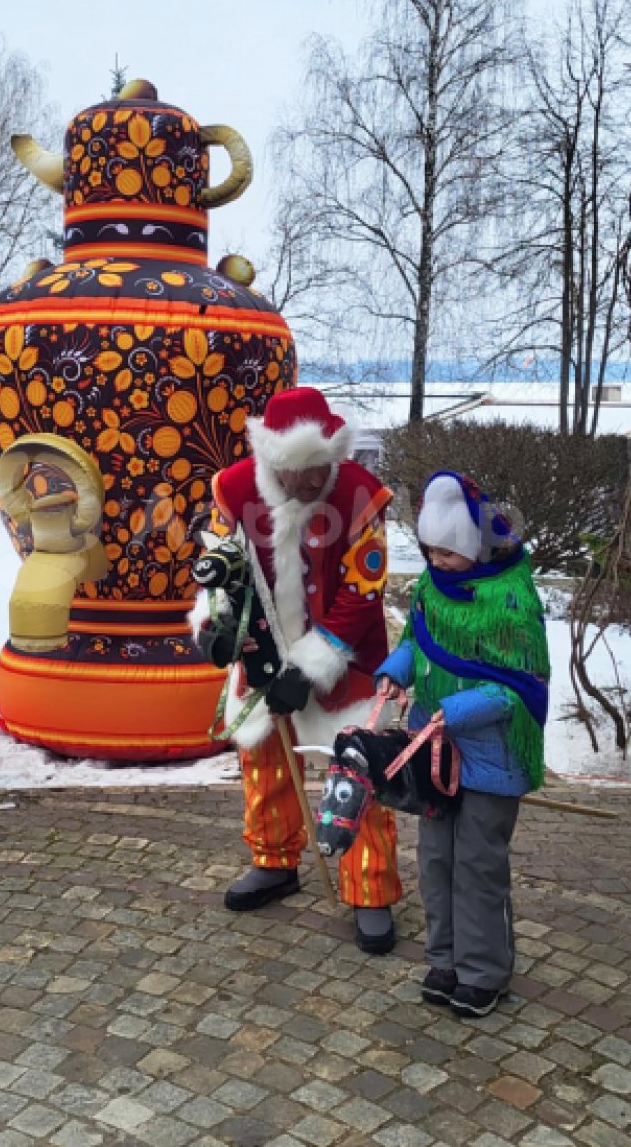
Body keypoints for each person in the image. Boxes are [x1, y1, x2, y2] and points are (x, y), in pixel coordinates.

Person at [189, 385, 401, 954]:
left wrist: (311, 666)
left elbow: (363, 591)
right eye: (299, 470)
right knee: (264, 761)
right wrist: (216, 623)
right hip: (263, 649)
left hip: (345, 659)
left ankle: (369, 888)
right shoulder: (232, 490)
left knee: (355, 773)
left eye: (321, 467)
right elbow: (220, 567)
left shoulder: (360, 496)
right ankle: (274, 861)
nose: (312, 481)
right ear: (271, 460)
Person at [374, 471, 550, 1017]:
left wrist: (459, 711)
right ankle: (444, 958)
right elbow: (417, 641)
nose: (437, 561)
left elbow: (519, 684)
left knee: (477, 862)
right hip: (436, 748)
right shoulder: (432, 585)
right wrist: (396, 671)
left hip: (491, 756)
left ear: (474, 545)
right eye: (429, 551)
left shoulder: (512, 598)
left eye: (447, 552)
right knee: (435, 858)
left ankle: (484, 972)